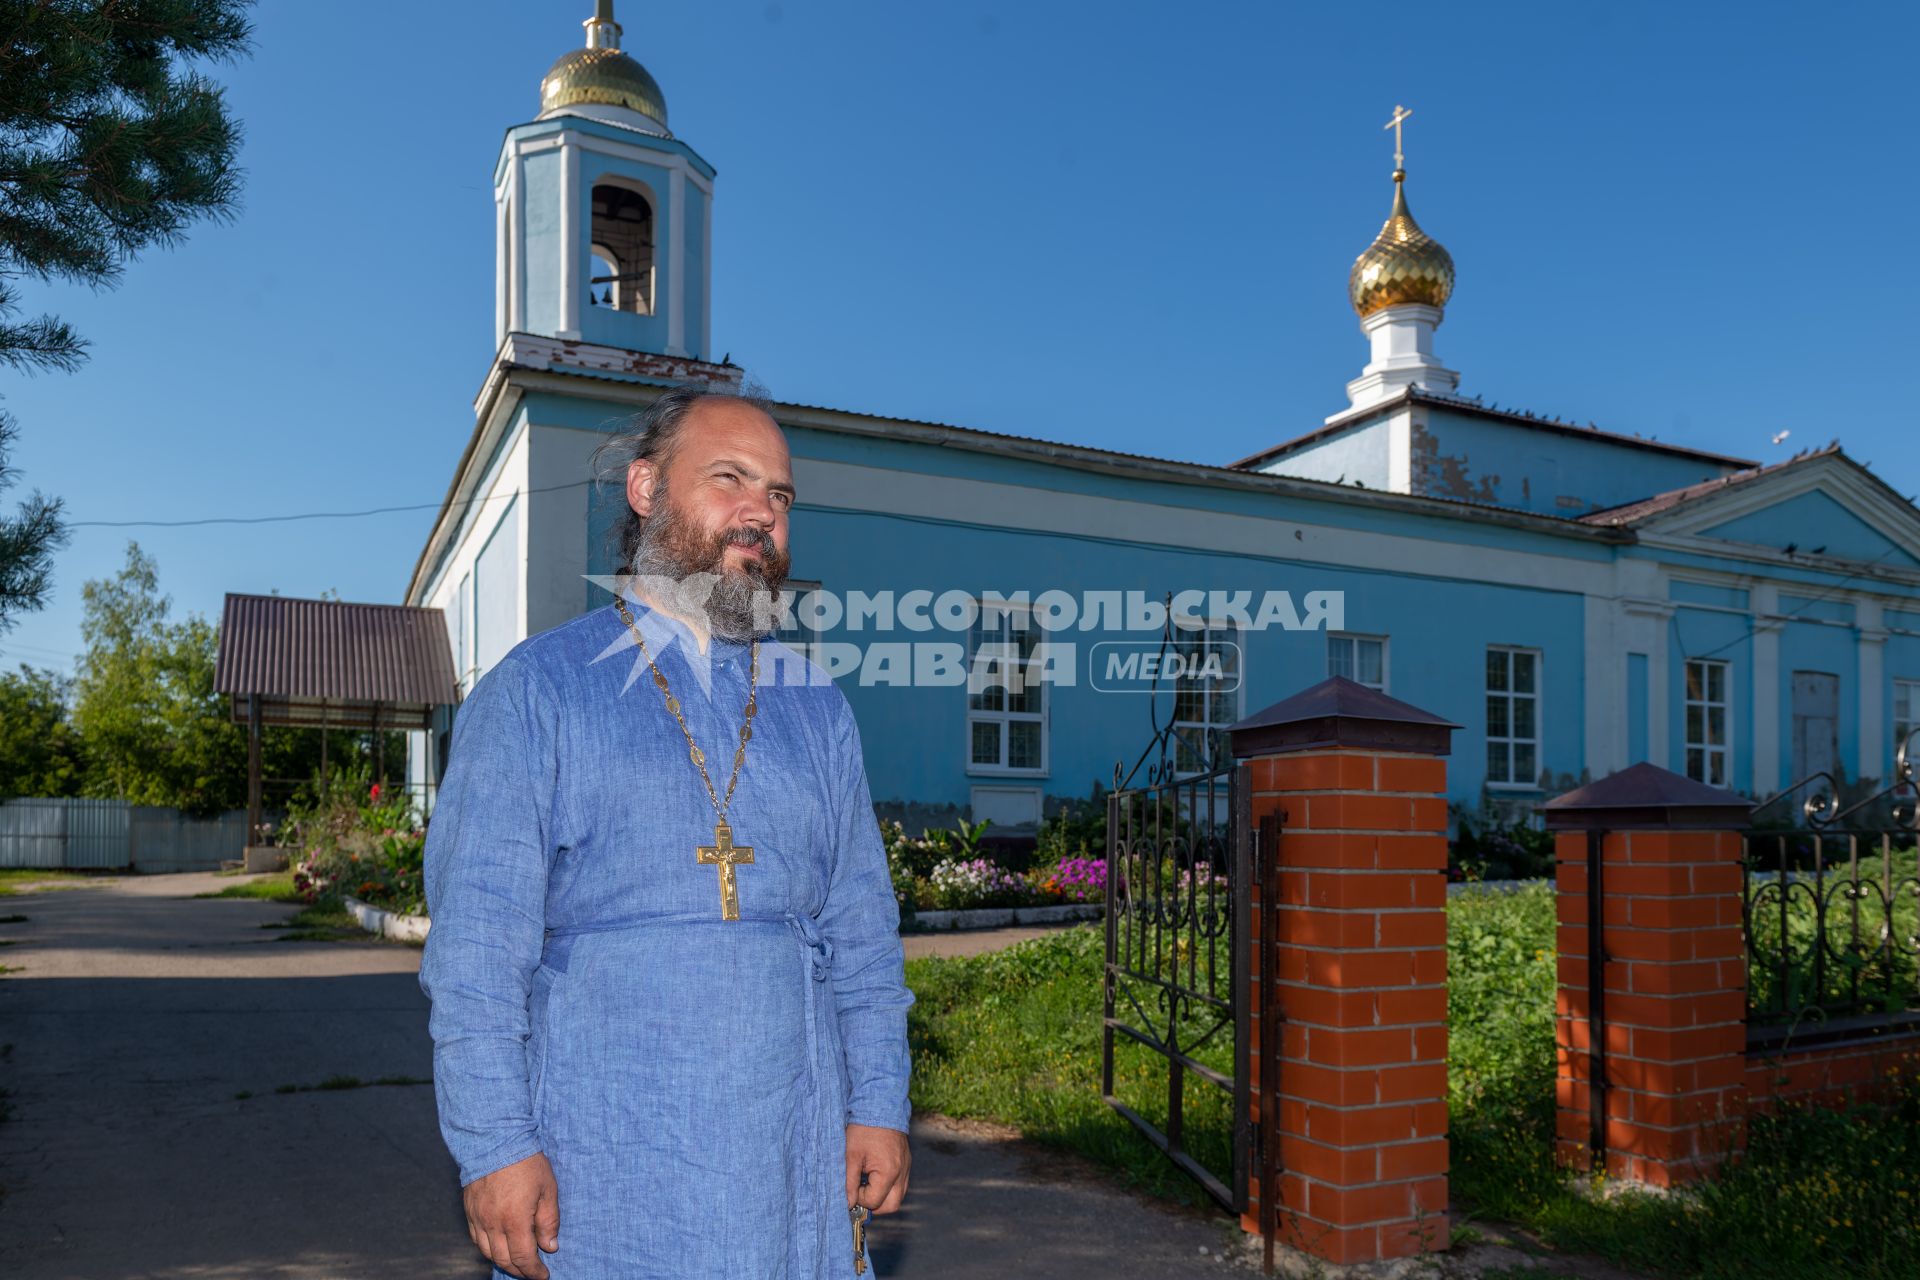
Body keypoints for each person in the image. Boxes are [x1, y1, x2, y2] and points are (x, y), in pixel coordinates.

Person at [419, 383, 913, 1279]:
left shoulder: (819, 707)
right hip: (605, 1160)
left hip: (792, 1159)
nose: (760, 512)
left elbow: (864, 935)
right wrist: (493, 1146)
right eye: (730, 478)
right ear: (645, 489)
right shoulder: (539, 691)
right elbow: (476, 951)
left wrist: (879, 1102)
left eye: (780, 495)